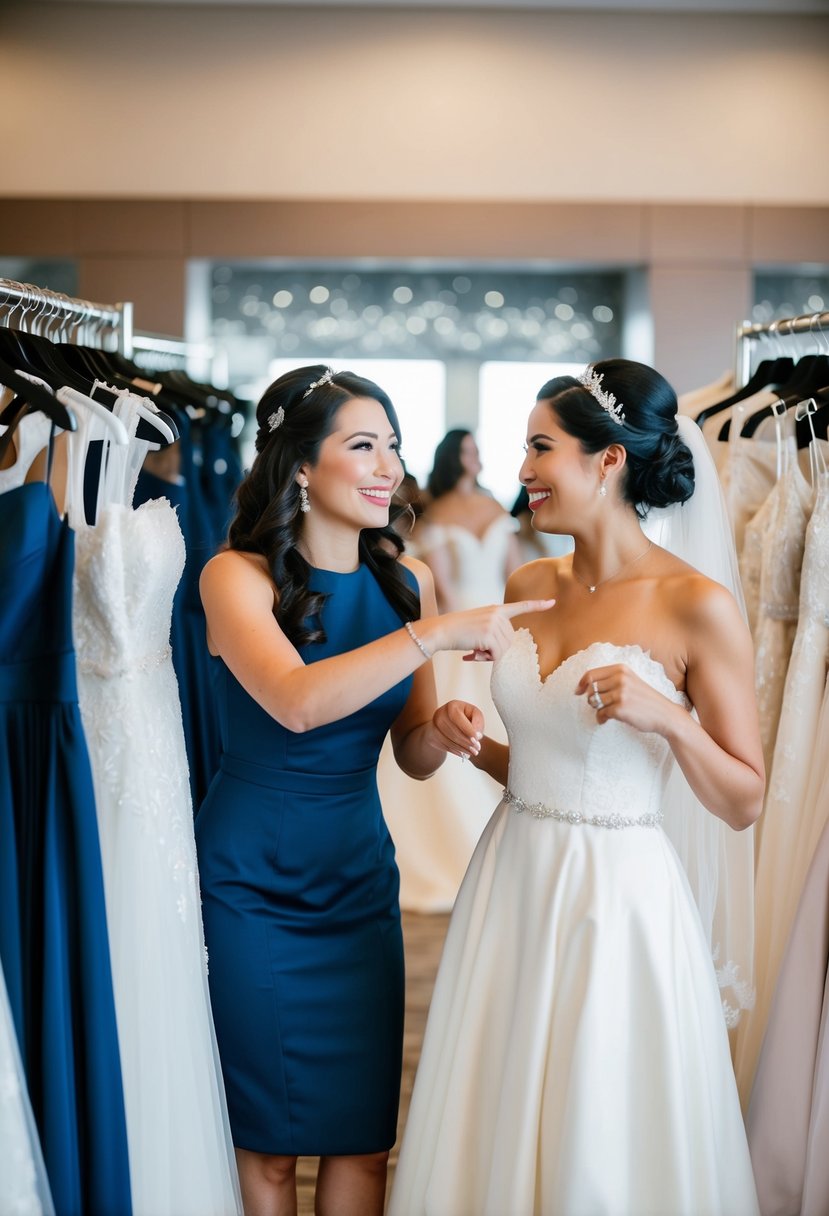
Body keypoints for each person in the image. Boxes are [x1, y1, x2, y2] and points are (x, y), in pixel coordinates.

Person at [389, 358, 764, 1215]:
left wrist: (668, 719)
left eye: (539, 447)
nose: (521, 471)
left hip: (615, 901)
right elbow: (540, 771)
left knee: (599, 1118)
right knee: (498, 1099)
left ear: (608, 461)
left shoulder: (692, 605)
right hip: (510, 878)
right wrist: (468, 743)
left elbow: (742, 798)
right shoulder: (526, 587)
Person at [193, 364, 554, 1216]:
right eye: (363, 445)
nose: (388, 465)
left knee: (363, 1138)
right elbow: (297, 701)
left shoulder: (407, 580)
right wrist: (433, 636)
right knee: (267, 1143)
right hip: (249, 884)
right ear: (301, 467)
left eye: (392, 444)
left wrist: (448, 730)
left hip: (357, 878)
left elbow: (413, 754)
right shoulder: (233, 577)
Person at [378, 429, 522, 911]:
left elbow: (514, 576)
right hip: (458, 629)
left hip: (497, 628)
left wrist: (509, 630)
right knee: (453, 727)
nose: (476, 458)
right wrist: (466, 629)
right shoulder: (437, 515)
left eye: (479, 450)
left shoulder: (497, 511)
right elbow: (439, 586)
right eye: (467, 451)